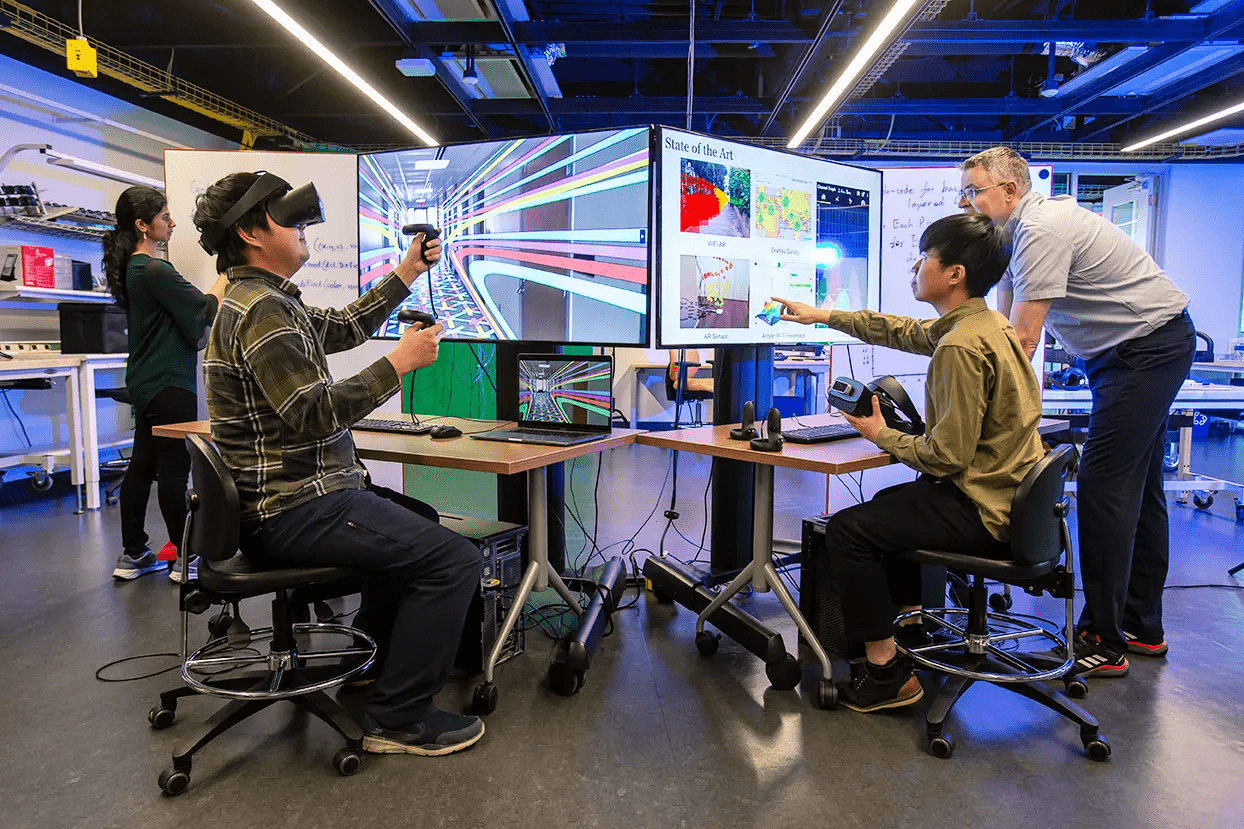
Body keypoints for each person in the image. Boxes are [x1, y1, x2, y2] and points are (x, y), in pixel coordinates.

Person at [192, 171, 484, 756]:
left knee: (420, 516)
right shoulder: (260, 312)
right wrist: (398, 364)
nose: (304, 229)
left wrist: (407, 271)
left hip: (292, 501)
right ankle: (398, 717)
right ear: (251, 232)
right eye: (289, 219)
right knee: (454, 560)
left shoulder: (266, 300)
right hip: (296, 508)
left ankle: (377, 666)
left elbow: (346, 328)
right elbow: (314, 413)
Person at [773, 212, 1044, 712]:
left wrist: (883, 434)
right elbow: (903, 331)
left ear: (954, 273)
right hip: (1010, 496)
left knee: (849, 532)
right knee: (887, 504)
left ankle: (885, 673)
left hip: (981, 507)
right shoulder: (985, 324)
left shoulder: (960, 346)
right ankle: (911, 628)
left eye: (925, 257)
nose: (916, 266)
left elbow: (946, 457)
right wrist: (824, 316)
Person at [959, 147, 1194, 677]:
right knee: (1142, 488)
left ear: (1010, 191)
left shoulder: (1041, 230)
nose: (967, 203)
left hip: (1146, 349)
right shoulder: (1012, 237)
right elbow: (1003, 328)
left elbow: (1020, 338)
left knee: (1104, 486)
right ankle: (1140, 626)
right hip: (1128, 353)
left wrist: (989, 412)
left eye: (975, 191)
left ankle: (1103, 641)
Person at [102, 186, 226, 581]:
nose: (172, 223)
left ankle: (133, 554)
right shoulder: (155, 270)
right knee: (174, 471)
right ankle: (185, 558)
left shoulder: (135, 270)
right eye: (165, 217)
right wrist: (226, 277)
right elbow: (202, 308)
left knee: (142, 466)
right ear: (142, 226)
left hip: (145, 380)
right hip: (169, 381)